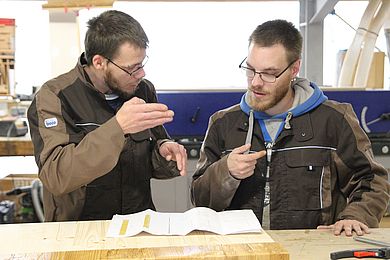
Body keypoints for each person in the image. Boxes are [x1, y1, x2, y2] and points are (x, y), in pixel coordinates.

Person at [191, 19, 389, 236]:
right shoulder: (223, 124)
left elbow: (371, 180)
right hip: (242, 250)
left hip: (311, 251)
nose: (256, 82)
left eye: (269, 73)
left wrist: (355, 216)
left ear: (294, 68)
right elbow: (199, 200)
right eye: (250, 69)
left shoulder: (334, 120)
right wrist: (225, 172)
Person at [27, 10, 187, 222]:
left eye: (142, 64)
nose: (141, 74)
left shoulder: (143, 90)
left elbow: (149, 156)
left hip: (137, 224)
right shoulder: (54, 97)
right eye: (132, 68)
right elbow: (57, 176)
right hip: (80, 230)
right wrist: (118, 128)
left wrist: (164, 152)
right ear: (99, 62)